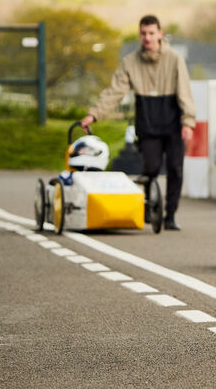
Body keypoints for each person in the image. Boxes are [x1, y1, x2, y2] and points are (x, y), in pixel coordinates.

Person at [81, 14, 196, 231]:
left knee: (175, 169)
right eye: (143, 33)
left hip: (172, 123)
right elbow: (114, 91)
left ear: (160, 34)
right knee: (150, 168)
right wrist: (94, 115)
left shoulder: (175, 59)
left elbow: (185, 93)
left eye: (152, 33)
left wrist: (187, 123)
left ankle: (170, 215)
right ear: (139, 35)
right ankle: (145, 208)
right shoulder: (130, 62)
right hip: (148, 123)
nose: (147, 38)